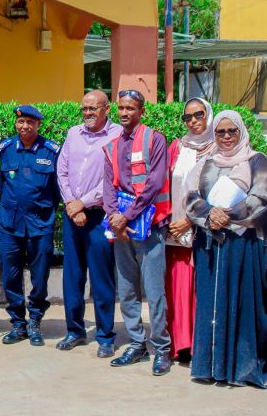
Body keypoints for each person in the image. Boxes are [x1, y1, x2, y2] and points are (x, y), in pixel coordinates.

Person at [184, 110, 267, 388]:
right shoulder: (205, 162)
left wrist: (229, 216)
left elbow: (261, 197)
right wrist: (210, 213)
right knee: (211, 302)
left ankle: (241, 369)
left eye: (231, 131)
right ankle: (208, 366)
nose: (226, 137)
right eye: (221, 132)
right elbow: (190, 196)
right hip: (209, 243)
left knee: (240, 301)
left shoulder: (256, 160)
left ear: (241, 132)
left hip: (242, 243)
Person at [102, 89, 172, 375]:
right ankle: (136, 343)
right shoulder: (112, 145)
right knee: (127, 289)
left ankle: (162, 348)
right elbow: (109, 186)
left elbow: (155, 183)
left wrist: (126, 216)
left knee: (154, 291)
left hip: (149, 227)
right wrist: (113, 218)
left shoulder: (155, 139)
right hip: (122, 230)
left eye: (131, 108)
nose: (124, 113)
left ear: (142, 111)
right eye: (121, 108)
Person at [56, 90, 122, 358]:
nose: (88, 113)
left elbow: (112, 178)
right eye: (84, 109)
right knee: (72, 276)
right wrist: (73, 204)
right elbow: (61, 170)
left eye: (93, 108)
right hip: (73, 215)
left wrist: (82, 202)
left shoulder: (116, 135)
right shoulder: (73, 133)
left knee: (102, 277)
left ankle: (105, 335)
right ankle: (75, 331)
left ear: (107, 109)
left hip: (98, 217)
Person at [0, 105, 60, 347]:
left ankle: (35, 319)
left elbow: (57, 190)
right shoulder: (5, 149)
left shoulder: (50, 150)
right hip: (10, 225)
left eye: (30, 123)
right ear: (16, 123)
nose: (25, 127)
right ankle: (18, 324)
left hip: (39, 224)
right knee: (10, 276)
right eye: (21, 122)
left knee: (40, 276)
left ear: (38, 125)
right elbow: (0, 184)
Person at [165, 97, 215, 361]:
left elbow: (220, 192)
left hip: (205, 231)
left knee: (201, 288)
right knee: (178, 287)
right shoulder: (177, 147)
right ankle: (180, 344)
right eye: (188, 117)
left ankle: (201, 344)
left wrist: (191, 219)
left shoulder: (219, 148)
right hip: (176, 233)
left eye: (198, 115)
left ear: (208, 114)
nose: (193, 121)